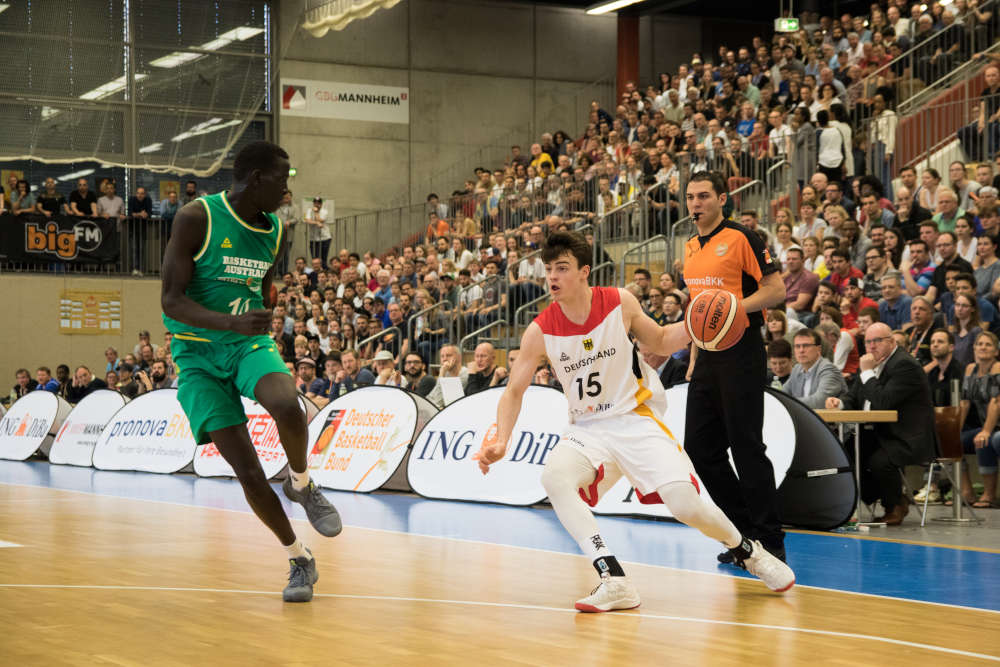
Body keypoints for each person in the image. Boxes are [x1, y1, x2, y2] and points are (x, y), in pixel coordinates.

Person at [473, 230, 794, 613]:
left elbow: (658, 341)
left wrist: (698, 323)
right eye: (548, 270)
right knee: (554, 479)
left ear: (584, 272)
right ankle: (613, 579)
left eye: (562, 268)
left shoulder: (617, 302)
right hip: (587, 430)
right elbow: (513, 391)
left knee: (685, 505)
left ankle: (747, 551)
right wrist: (502, 440)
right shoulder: (540, 329)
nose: (553, 278)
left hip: (636, 419)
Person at [160, 141, 341, 603]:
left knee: (286, 404)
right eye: (282, 180)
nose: (287, 190)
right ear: (257, 178)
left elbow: (262, 284)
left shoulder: (277, 231)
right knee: (248, 471)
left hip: (246, 344)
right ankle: (300, 558)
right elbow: (171, 300)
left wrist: (260, 308)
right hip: (197, 355)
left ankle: (301, 483)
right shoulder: (196, 218)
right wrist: (230, 320)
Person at [681, 172, 788, 565]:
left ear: (722, 199)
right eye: (691, 197)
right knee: (699, 448)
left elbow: (777, 290)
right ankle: (744, 535)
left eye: (704, 196)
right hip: (707, 354)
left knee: (746, 446)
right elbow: (697, 308)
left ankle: (770, 539)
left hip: (742, 348)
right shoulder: (690, 245)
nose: (697, 203)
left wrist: (731, 308)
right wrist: (695, 356)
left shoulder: (743, 237)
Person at [825, 323, 937, 525]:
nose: (872, 346)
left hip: (907, 436)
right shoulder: (872, 363)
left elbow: (883, 401)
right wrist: (839, 403)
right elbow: (854, 397)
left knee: (879, 461)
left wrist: (867, 372)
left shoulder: (904, 365)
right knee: (844, 454)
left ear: (892, 341)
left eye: (877, 341)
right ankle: (885, 497)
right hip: (880, 433)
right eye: (868, 341)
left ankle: (893, 505)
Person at [783, 329, 847, 408]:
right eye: (797, 346)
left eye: (806, 346)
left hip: (826, 419)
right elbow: (782, 394)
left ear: (818, 349)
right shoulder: (797, 369)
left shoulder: (829, 370)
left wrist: (786, 402)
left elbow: (820, 402)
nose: (801, 350)